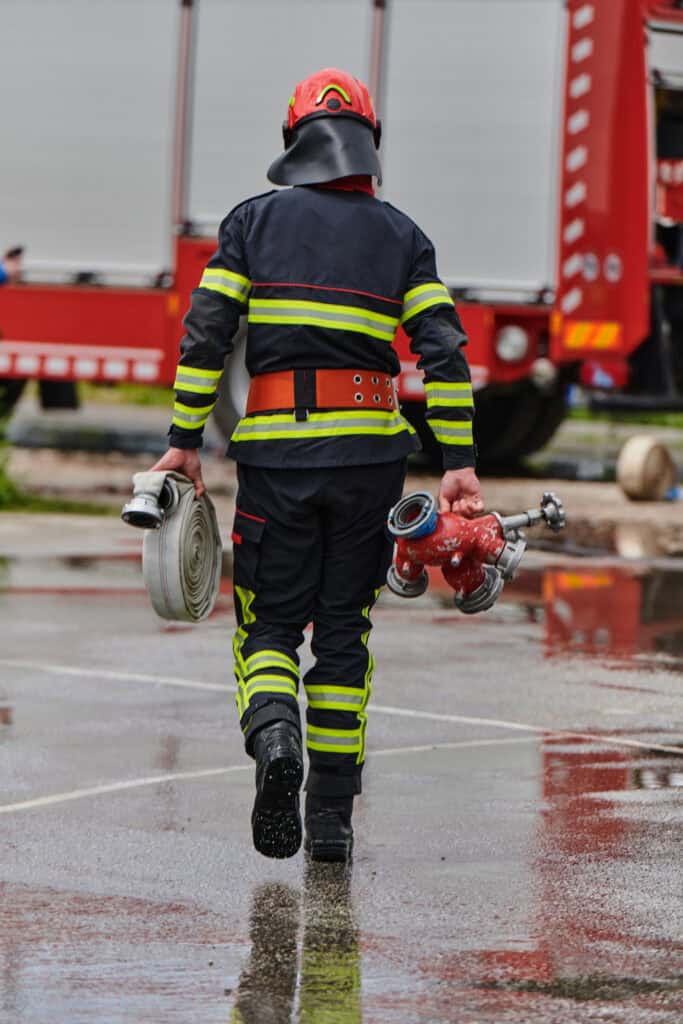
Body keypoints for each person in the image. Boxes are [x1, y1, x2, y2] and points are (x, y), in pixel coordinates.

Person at [151, 68, 484, 862]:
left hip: (280, 459)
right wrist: (460, 463)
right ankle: (330, 819)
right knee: (344, 633)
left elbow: (205, 337)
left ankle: (275, 741)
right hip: (372, 460)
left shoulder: (250, 225)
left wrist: (183, 439)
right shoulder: (403, 236)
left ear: (292, 138)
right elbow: (443, 354)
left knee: (267, 625)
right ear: (368, 142)